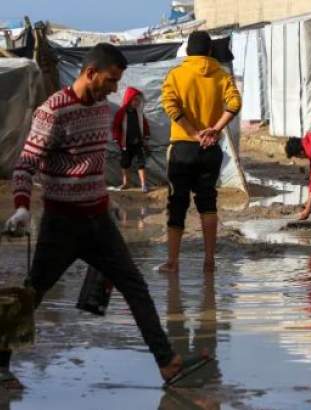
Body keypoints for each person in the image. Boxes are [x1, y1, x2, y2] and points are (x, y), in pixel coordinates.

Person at [1, 43, 202, 390]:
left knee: (135, 287)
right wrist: (21, 206)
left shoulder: (102, 110)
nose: (114, 89)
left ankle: (168, 363)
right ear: (90, 73)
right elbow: (25, 165)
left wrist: (109, 203)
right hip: (61, 224)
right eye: (110, 81)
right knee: (32, 294)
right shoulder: (52, 112)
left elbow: (92, 165)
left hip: (99, 222)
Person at [159, 31, 241, 274]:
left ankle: (173, 263)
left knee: (177, 204)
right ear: (209, 52)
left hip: (183, 148)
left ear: (187, 52)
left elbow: (170, 106)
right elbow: (235, 104)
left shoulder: (176, 74)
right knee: (208, 203)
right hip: (210, 149)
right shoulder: (221, 75)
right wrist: (214, 130)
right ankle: (209, 261)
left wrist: (194, 134)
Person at [112, 86, 150, 192]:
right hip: (125, 144)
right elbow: (116, 126)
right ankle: (126, 183)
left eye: (138, 100)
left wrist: (146, 136)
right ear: (129, 99)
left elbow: (144, 124)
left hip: (138, 143)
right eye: (135, 100)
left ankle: (143, 184)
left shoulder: (139, 113)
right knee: (125, 163)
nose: (137, 102)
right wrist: (116, 138)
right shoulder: (121, 113)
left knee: (141, 163)